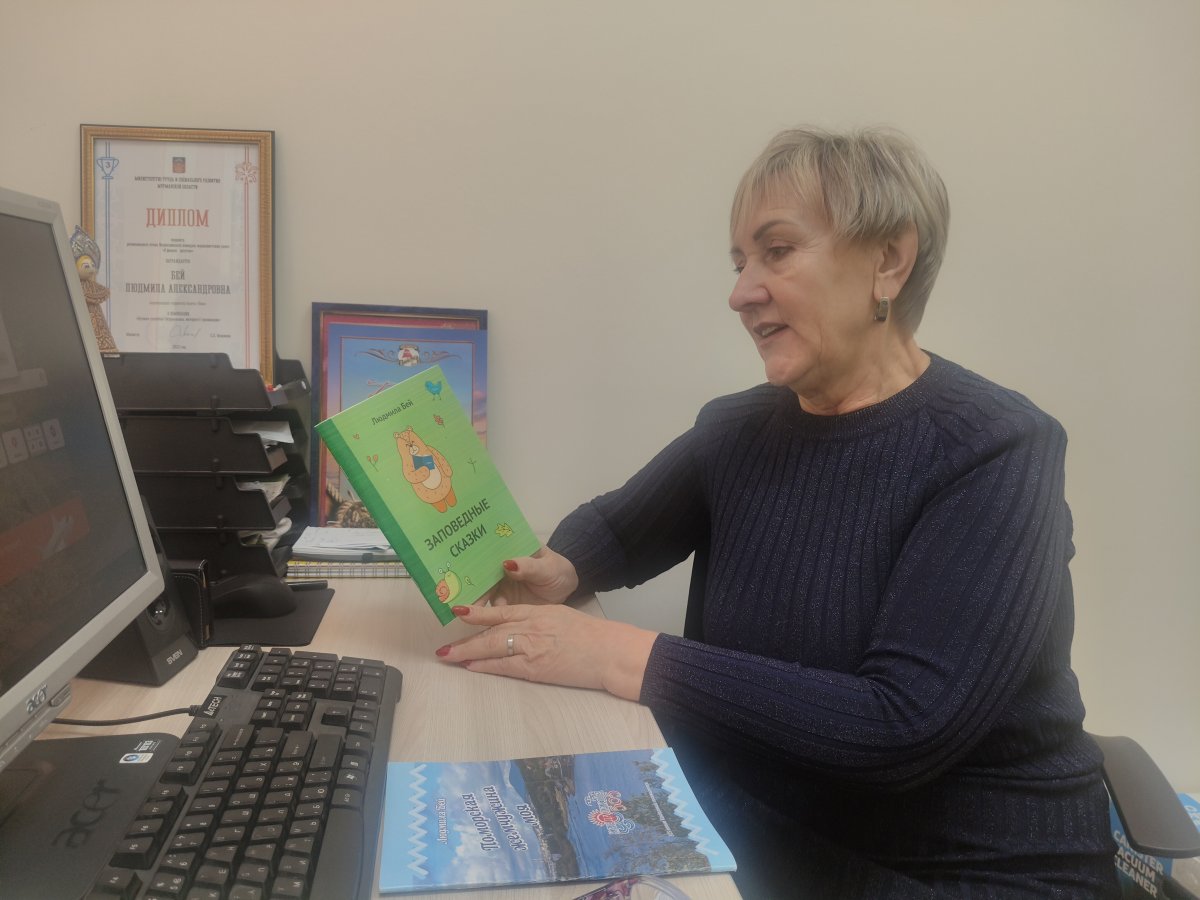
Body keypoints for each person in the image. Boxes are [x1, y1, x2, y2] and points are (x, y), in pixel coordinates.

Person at [435, 126, 1120, 898]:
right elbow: (620, 530)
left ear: (889, 260)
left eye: (778, 251)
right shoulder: (737, 429)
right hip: (762, 831)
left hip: (967, 874)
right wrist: (562, 566)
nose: (741, 293)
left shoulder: (996, 451)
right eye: (740, 263)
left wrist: (615, 655)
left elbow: (902, 727)